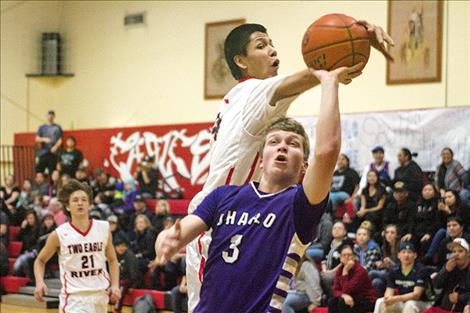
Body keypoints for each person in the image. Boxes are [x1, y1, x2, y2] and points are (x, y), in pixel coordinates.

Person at [183, 20, 394, 311]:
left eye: (271, 44)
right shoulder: (250, 92)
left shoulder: (239, 100)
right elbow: (302, 79)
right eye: (261, 45)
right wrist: (340, 55)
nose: (271, 50)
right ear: (241, 61)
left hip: (247, 219)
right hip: (218, 224)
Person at [156, 59, 359, 312]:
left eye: (293, 144)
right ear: (261, 160)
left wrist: (329, 82)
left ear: (304, 168)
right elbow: (182, 231)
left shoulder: (299, 206)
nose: (283, 146)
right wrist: (166, 239)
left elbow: (327, 150)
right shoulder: (223, 196)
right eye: (274, 141)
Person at [34, 179, 120, 313]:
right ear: (67, 206)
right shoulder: (59, 234)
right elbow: (40, 260)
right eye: (75, 200)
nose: (80, 203)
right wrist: (40, 282)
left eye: (84, 199)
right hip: (74, 300)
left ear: (90, 204)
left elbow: (113, 260)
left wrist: (115, 285)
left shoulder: (104, 228)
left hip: (100, 297)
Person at [373, 242, 433, 313]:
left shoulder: (421, 270)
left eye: (409, 252)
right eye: (403, 252)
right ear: (398, 255)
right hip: (403, 301)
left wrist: (395, 299)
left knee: (410, 305)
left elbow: (416, 295)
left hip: (424, 303)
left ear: (415, 255)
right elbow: (389, 290)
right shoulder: (394, 270)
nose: (406, 255)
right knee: (380, 302)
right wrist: (388, 299)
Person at [422, 238, 470, 313]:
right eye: (454, 251)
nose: (456, 254)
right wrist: (445, 271)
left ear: (468, 253)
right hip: (443, 308)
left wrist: (460, 297)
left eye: (460, 251)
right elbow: (436, 285)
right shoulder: (449, 266)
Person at [328, 243, 376, 313]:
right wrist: (343, 295)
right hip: (351, 296)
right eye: (344, 255)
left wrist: (345, 272)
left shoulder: (360, 270)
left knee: (343, 302)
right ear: (340, 258)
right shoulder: (339, 270)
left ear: (354, 257)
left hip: (366, 300)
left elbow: (348, 289)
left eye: (349, 255)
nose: (347, 257)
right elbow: (335, 290)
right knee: (332, 301)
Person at [355, 169, 386, 235]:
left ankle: (369, 234)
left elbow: (379, 206)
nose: (371, 178)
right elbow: (363, 204)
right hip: (366, 211)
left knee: (370, 216)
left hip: (377, 211)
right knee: (357, 216)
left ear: (377, 177)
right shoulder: (364, 190)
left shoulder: (382, 189)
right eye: (369, 176)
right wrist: (361, 210)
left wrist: (365, 210)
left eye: (374, 176)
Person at [35, 110, 63, 174]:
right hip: (43, 152)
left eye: (52, 116)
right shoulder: (42, 127)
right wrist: (44, 139)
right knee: (39, 170)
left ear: (54, 117)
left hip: (54, 152)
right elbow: (37, 139)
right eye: (49, 116)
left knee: (52, 170)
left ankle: (51, 183)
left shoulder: (57, 127)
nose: (50, 118)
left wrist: (56, 147)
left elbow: (60, 139)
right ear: (46, 116)